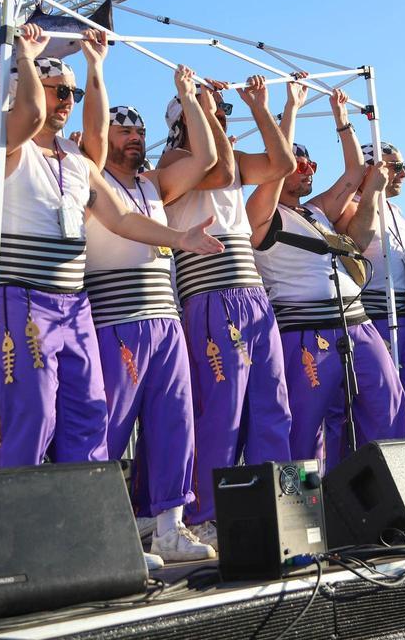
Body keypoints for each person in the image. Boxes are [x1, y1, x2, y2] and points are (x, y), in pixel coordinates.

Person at [0, 26, 222, 469]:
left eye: (72, 93)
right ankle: (15, 526)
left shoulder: (77, 161)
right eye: (59, 91)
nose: (67, 100)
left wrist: (179, 239)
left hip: (74, 303)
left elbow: (122, 218)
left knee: (88, 413)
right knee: (33, 414)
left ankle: (82, 523)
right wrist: (27, 58)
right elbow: (29, 115)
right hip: (23, 296)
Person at [83, 69, 218, 562]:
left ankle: (169, 528)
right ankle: (97, 534)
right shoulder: (88, 176)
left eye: (140, 130)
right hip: (116, 315)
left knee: (173, 423)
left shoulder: (154, 184)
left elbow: (205, 158)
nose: (135, 136)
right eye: (125, 130)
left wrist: (188, 98)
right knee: (110, 427)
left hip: (164, 316)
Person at [159, 73, 296, 545]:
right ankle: (206, 515)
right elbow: (215, 168)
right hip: (211, 293)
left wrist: (260, 105)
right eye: (214, 110)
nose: (221, 115)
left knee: (272, 404)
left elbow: (282, 163)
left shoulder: (226, 156)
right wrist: (197, 99)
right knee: (223, 411)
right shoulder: (176, 158)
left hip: (251, 293)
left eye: (221, 110)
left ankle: (284, 511)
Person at [249, 89, 405, 470]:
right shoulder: (261, 215)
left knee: (389, 404)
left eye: (311, 165)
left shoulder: (316, 211)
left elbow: (355, 174)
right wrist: (289, 109)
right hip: (305, 331)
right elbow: (278, 162)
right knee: (303, 428)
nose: (307, 171)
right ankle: (300, 510)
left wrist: (341, 118)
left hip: (356, 322)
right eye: (299, 165)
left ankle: (397, 491)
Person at [336, 143, 405, 439]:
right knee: (382, 407)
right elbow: (354, 245)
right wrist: (371, 190)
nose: (403, 173)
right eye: (395, 167)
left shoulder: (396, 210)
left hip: (404, 318)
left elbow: (395, 266)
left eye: (403, 166)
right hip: (371, 319)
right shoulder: (350, 204)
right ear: (372, 168)